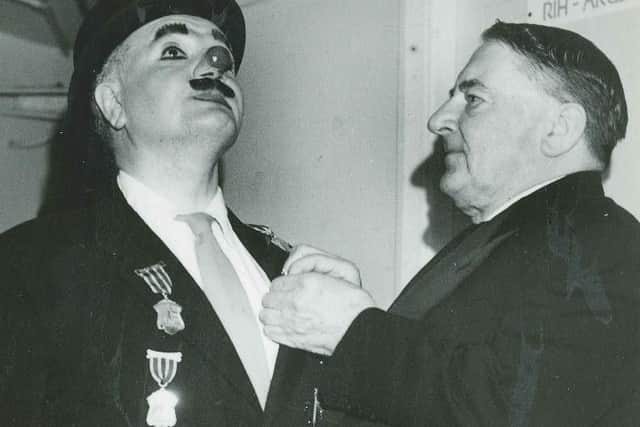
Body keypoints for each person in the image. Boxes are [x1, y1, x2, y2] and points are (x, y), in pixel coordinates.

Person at [0, 1, 380, 426]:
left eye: (226, 58)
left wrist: (359, 342)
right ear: (113, 102)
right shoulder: (28, 267)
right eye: (173, 51)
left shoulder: (292, 272)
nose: (217, 63)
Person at [260, 21, 640, 426]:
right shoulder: (515, 238)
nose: (438, 120)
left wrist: (354, 329)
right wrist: (348, 315)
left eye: (473, 99)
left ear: (559, 129)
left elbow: (515, 410)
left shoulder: (610, 244)